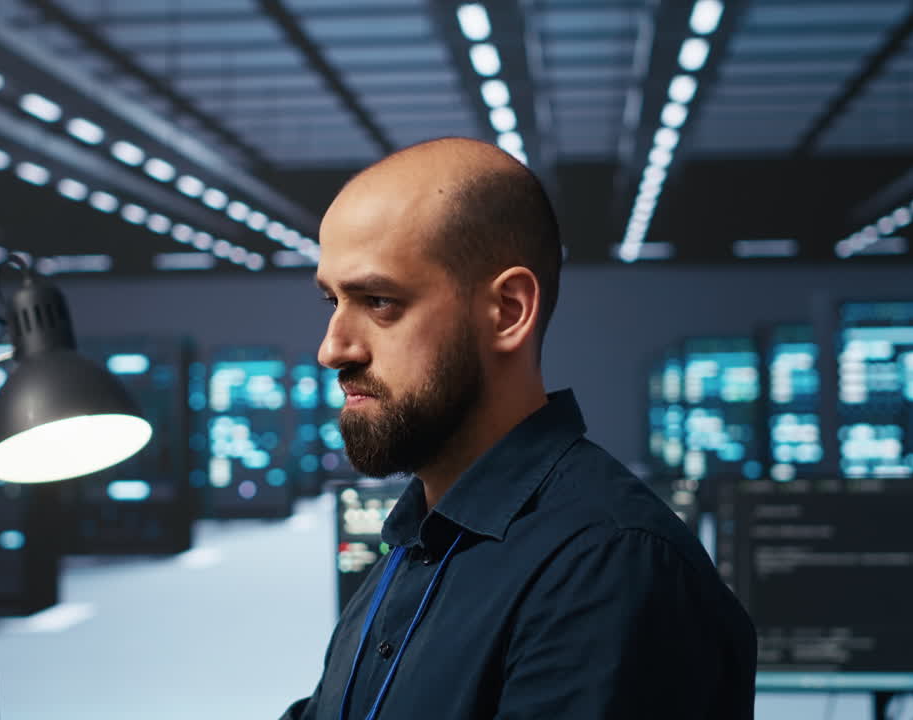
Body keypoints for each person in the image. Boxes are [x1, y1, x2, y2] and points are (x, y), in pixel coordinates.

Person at [280, 137, 756, 719]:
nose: (333, 349)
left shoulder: (609, 569)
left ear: (508, 310)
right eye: (331, 300)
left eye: (378, 301)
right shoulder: (419, 544)